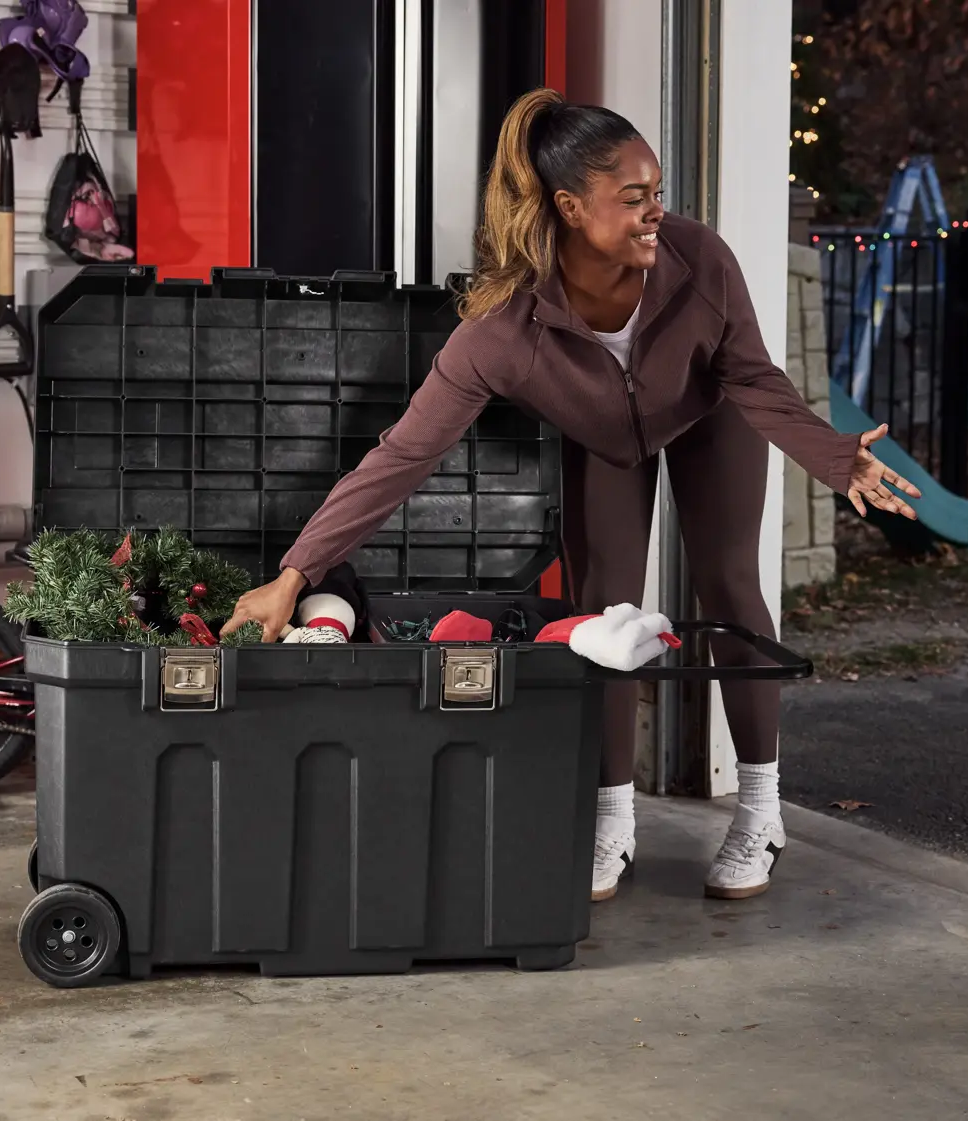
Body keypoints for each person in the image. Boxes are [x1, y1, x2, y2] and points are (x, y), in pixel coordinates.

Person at [221, 88, 921, 902]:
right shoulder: (503, 332)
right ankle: (611, 819)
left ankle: (761, 809)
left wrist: (839, 459)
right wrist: (296, 573)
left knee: (729, 584)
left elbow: (754, 377)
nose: (656, 211)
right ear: (568, 206)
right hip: (607, 443)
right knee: (603, 611)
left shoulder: (701, 261)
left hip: (709, 415)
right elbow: (401, 455)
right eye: (634, 198)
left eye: (657, 191)